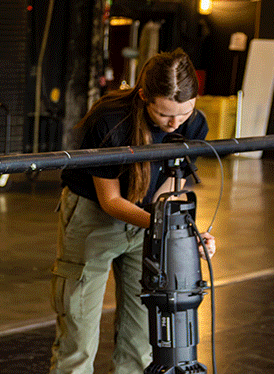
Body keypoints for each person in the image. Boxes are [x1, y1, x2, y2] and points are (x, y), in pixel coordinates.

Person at [50, 49, 218, 374]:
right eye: (166, 115)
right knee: (78, 335)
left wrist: (179, 233)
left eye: (184, 114)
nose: (175, 124)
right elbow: (110, 201)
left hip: (148, 219)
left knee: (141, 338)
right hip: (92, 217)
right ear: (144, 97)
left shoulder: (195, 124)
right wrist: (167, 228)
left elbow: (170, 185)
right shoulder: (110, 121)